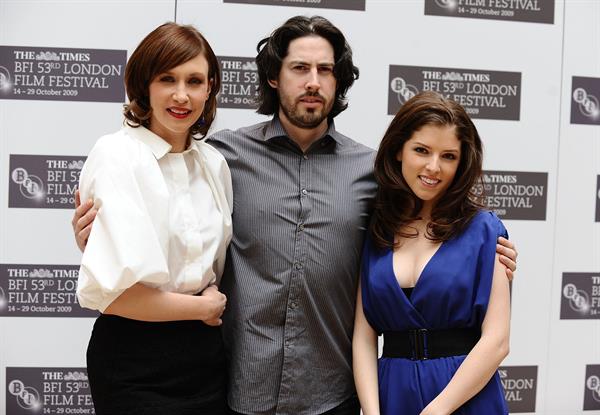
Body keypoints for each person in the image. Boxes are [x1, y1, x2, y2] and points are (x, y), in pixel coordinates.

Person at [72, 16, 517, 415]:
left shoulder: (374, 171)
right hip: (236, 387)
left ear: (339, 82)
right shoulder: (221, 157)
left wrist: (488, 251)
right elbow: (168, 213)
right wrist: (94, 235)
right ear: (273, 77)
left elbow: (426, 220)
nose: (313, 81)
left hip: (333, 393)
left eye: (326, 70)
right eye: (299, 68)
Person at [75, 22, 232, 415]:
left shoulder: (214, 163)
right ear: (144, 84)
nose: (182, 95)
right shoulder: (116, 155)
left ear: (209, 88)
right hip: (134, 359)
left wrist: (208, 307)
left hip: (207, 358)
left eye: (194, 81)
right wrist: (203, 308)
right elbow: (116, 296)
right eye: (167, 79)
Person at [353, 91, 511, 415]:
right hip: (392, 393)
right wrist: (371, 412)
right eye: (421, 150)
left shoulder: (485, 230)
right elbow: (363, 337)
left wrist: (437, 410)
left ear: (462, 161)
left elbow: (497, 341)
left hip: (464, 397)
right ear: (399, 150)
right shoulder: (376, 228)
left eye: (448, 156)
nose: (433, 167)